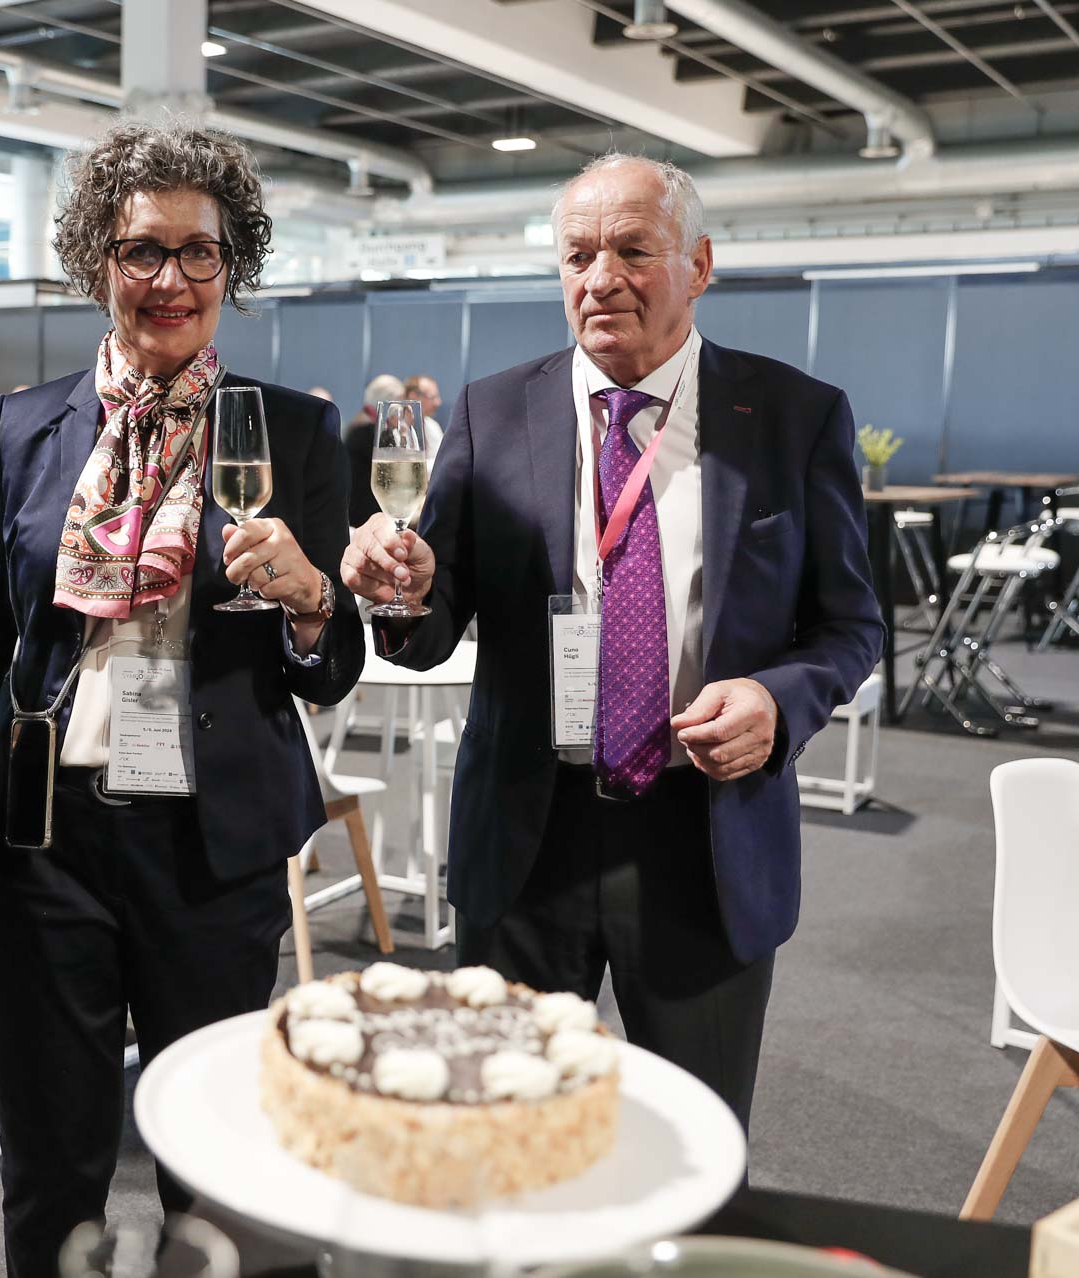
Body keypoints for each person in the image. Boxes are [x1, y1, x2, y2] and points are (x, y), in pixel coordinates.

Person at [341, 152, 881, 1127]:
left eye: (633, 250)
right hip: (525, 837)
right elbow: (431, 620)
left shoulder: (794, 417)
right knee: (501, 1131)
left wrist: (777, 698)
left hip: (703, 840)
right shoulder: (493, 411)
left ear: (698, 265)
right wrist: (401, 590)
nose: (600, 278)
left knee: (694, 1143)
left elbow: (849, 624)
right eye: (577, 255)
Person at [0, 120, 362, 1278]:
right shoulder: (28, 424)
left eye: (199, 252)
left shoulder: (293, 432)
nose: (171, 278)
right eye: (142, 250)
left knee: (220, 1156)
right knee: (51, 1158)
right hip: (47, 841)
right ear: (100, 262)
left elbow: (331, 663)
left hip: (212, 840)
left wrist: (311, 599)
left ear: (233, 267)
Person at [342, 372, 404, 526]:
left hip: (355, 511)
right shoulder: (374, 432)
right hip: (369, 515)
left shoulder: (357, 425)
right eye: (400, 402)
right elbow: (397, 472)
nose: (402, 409)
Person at [402, 372, 446, 456]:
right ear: (413, 397)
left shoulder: (433, 426)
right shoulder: (396, 429)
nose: (438, 403)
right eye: (432, 397)